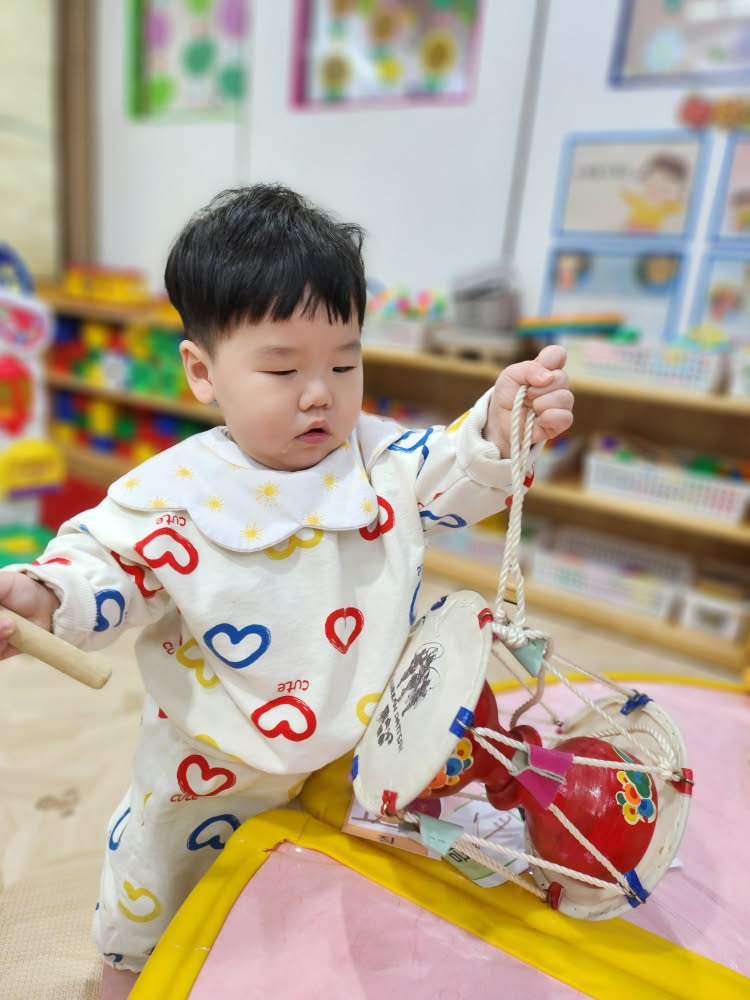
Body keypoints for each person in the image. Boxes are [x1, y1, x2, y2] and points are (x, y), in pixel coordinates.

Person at [0, 184, 573, 997]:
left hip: (361, 751)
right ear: (202, 372)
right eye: (282, 368)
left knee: (333, 912)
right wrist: (38, 596)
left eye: (344, 362)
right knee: (152, 898)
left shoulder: (377, 459)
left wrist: (501, 421)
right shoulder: (171, 493)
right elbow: (102, 566)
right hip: (211, 765)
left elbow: (456, 470)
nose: (320, 393)